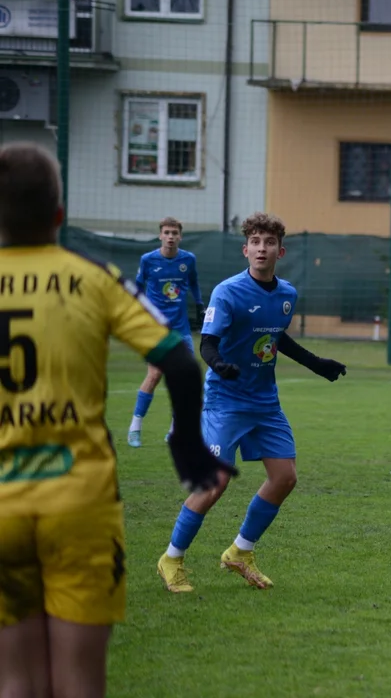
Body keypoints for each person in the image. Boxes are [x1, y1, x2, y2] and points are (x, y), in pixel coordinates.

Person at [0, 142, 232, 698]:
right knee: (80, 681)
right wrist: (190, 453)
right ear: (59, 216)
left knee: (16, 680)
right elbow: (178, 356)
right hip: (79, 500)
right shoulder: (93, 276)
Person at [156, 212, 347, 592]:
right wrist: (219, 365)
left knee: (285, 478)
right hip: (225, 400)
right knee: (216, 482)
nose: (262, 249)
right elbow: (207, 342)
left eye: (269, 243)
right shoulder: (228, 291)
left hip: (265, 402)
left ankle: (240, 551)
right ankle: (172, 558)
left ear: (281, 250)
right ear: (246, 250)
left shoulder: (287, 294)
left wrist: (317, 364)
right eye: (255, 243)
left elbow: (277, 338)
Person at [127, 216, 204, 448]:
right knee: (155, 374)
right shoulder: (148, 260)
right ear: (160, 235)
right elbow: (138, 287)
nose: (170, 237)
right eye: (167, 233)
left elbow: (194, 283)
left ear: (180, 236)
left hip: (180, 329)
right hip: (155, 328)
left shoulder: (188, 260)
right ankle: (135, 426)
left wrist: (200, 305)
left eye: (174, 233)